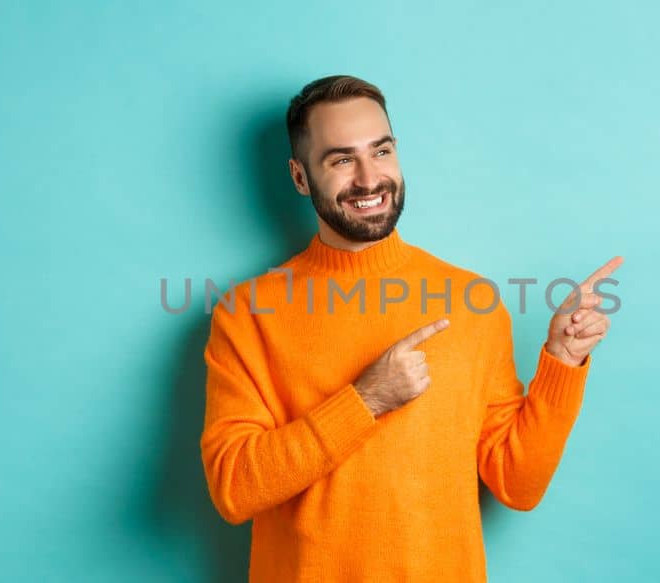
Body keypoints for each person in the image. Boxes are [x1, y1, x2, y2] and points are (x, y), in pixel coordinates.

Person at [199, 74, 622, 582]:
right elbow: (234, 488)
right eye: (340, 159)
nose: (368, 178)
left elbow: (517, 484)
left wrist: (563, 362)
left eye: (381, 151)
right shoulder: (247, 312)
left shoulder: (473, 302)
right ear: (299, 177)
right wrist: (366, 400)